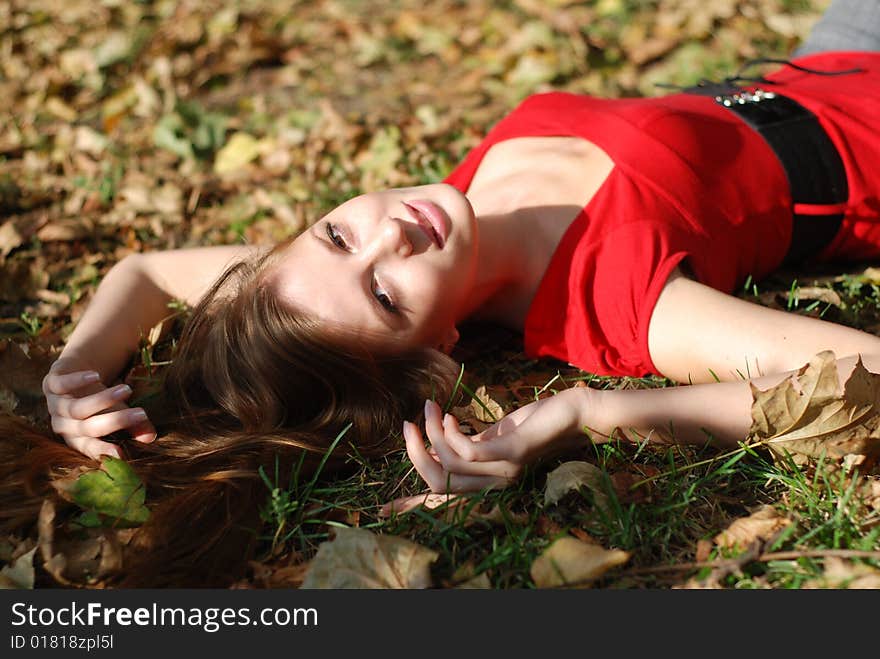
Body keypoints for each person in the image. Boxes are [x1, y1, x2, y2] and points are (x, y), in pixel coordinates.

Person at [4, 0, 880, 584]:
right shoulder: (612, 297)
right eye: (385, 294)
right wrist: (582, 411)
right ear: (434, 350)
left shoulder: (436, 218)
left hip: (831, 56)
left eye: (336, 233)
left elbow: (148, 272)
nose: (390, 233)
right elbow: (860, 373)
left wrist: (78, 373)